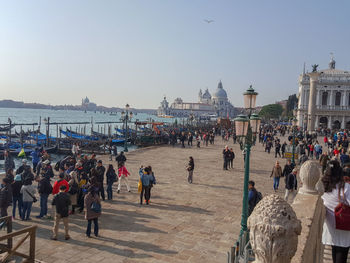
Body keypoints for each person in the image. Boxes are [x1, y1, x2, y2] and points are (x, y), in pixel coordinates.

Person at [321, 160, 350, 263]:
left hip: (330, 225)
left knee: (335, 250)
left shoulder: (322, 186)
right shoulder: (345, 187)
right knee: (342, 254)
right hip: (344, 225)